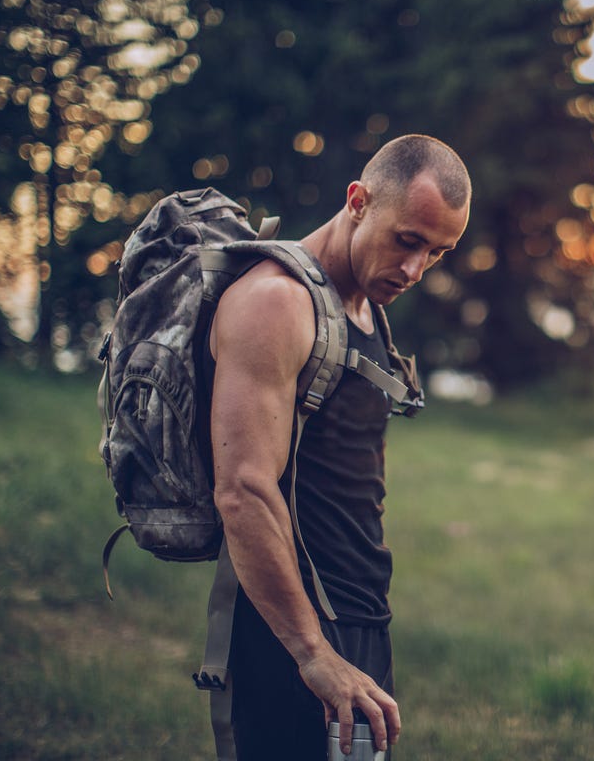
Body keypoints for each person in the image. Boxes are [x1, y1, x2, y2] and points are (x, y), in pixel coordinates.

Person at [207, 134, 471, 759]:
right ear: (358, 200)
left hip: (360, 615)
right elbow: (243, 490)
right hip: (293, 630)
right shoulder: (277, 302)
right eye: (408, 240)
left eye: (438, 252)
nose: (414, 270)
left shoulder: (363, 304)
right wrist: (311, 653)